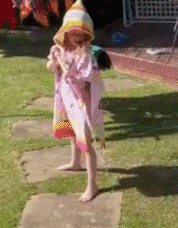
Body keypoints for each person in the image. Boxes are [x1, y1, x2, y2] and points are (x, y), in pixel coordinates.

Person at [47, 0, 106, 202]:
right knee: (73, 134)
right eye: (73, 34)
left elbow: (88, 76)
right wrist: (55, 61)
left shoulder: (89, 55)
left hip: (83, 104)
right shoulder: (61, 50)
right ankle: (75, 163)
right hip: (66, 98)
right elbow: (50, 67)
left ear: (87, 36)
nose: (77, 38)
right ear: (66, 33)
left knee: (86, 143)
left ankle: (92, 184)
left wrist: (70, 71)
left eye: (81, 35)